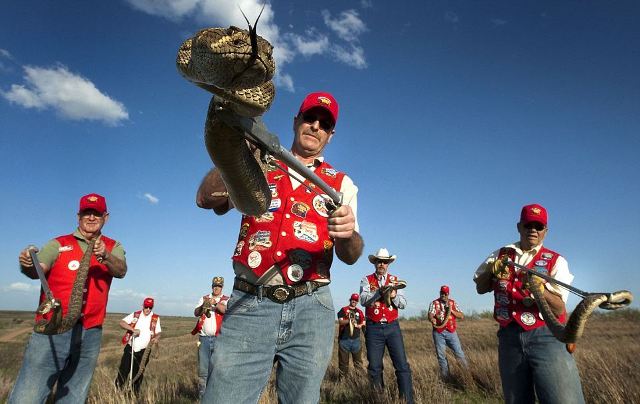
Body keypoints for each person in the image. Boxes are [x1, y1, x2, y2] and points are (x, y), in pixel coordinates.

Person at [196, 91, 364, 403]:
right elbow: (205, 199)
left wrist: (348, 233)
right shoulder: (258, 162)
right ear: (296, 121)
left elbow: (352, 255)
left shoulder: (341, 184)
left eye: (324, 124)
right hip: (250, 301)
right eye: (309, 118)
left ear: (331, 135)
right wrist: (237, 150)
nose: (315, 126)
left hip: (312, 308)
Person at [10, 193, 127, 403]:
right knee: (29, 394)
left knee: (74, 394)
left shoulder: (112, 246)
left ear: (106, 217)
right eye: (86, 213)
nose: (91, 218)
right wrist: (29, 264)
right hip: (52, 330)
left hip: (90, 332)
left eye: (97, 214)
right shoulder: (58, 243)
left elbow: (121, 270)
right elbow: (39, 269)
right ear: (78, 216)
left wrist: (107, 257)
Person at [473, 203, 585, 404]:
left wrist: (540, 289)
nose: (533, 229)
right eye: (528, 225)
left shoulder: (556, 261)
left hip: (547, 336)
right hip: (508, 337)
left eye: (538, 226)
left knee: (563, 399)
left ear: (545, 231)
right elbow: (481, 288)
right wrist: (491, 270)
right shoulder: (500, 254)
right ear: (519, 227)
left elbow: (559, 307)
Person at [360, 248, 414, 404]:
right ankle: (378, 400)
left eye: (384, 262)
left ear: (389, 264)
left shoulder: (395, 281)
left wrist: (394, 295)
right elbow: (363, 300)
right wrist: (379, 292)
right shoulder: (366, 280)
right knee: (375, 367)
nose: (381, 264)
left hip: (392, 327)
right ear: (375, 263)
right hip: (373, 327)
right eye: (379, 261)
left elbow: (403, 304)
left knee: (402, 366)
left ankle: (407, 400)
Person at [192, 276, 229, 399]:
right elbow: (196, 313)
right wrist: (204, 304)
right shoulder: (204, 298)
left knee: (218, 369)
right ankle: (203, 397)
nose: (216, 288)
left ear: (222, 287)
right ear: (212, 286)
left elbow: (226, 311)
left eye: (219, 286)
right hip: (204, 339)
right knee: (203, 370)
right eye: (214, 286)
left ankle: (216, 396)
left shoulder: (226, 299)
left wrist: (216, 303)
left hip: (220, 339)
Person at [115, 297, 161, 394]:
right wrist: (132, 330)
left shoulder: (155, 318)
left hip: (144, 351)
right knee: (123, 370)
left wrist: (156, 338)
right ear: (143, 305)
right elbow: (122, 322)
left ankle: (133, 394)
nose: (148, 309)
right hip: (131, 347)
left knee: (138, 373)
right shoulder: (136, 314)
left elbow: (158, 332)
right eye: (146, 307)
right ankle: (118, 392)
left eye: (150, 307)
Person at [428, 285, 468, 378]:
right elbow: (430, 314)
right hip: (438, 332)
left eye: (445, 293)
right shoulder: (434, 303)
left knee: (459, 353)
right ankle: (446, 377)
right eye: (442, 293)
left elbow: (461, 315)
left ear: (448, 294)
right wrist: (432, 319)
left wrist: (451, 311)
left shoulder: (453, 303)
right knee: (441, 356)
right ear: (440, 293)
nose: (444, 295)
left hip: (451, 332)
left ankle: (467, 375)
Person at [336, 293, 366, 378]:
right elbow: (340, 321)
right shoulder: (343, 310)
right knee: (343, 364)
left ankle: (360, 382)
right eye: (353, 299)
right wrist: (349, 320)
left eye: (356, 300)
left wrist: (360, 326)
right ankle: (342, 382)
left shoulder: (360, 312)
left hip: (356, 340)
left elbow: (363, 323)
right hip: (344, 340)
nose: (354, 301)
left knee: (358, 364)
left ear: (357, 302)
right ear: (350, 300)